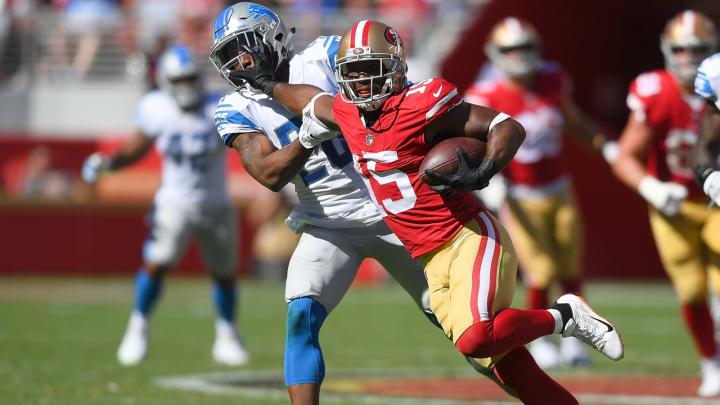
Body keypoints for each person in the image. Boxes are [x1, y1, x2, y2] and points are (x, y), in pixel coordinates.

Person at [234, 18, 624, 405]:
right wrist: (268, 86)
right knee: (484, 350)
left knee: (477, 337)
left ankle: (565, 315)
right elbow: (308, 100)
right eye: (351, 72)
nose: (361, 82)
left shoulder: (423, 102)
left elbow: (506, 125)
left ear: (397, 68)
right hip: (427, 256)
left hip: (467, 237)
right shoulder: (348, 114)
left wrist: (485, 170)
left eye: (371, 70)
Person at [209, 4, 515, 404]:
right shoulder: (234, 107)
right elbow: (268, 174)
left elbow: (393, 83)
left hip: (397, 214)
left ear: (273, 37)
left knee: (470, 334)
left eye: (243, 47)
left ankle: (540, 389)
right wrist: (306, 139)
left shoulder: (324, 56)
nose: (238, 62)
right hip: (328, 224)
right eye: (228, 55)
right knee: (301, 317)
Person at [464, 16, 618, 369]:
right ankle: (541, 341)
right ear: (495, 54)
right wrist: (489, 178)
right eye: (510, 49)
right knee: (540, 271)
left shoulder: (552, 78)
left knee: (570, 266)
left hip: (558, 188)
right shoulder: (485, 95)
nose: (519, 56)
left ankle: (579, 338)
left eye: (525, 48)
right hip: (518, 194)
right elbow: (474, 145)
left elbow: (573, 121)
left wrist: (604, 146)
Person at [81, 45, 248, 367]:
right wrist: (108, 163)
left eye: (190, 78)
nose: (186, 86)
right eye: (179, 80)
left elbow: (248, 144)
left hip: (216, 203)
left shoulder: (220, 106)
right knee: (156, 263)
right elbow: (136, 148)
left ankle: (227, 334)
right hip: (175, 201)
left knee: (224, 273)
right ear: (166, 82)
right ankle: (138, 326)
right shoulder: (156, 108)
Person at [612, 10, 720, 397]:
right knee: (691, 291)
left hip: (718, 202)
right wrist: (654, 190)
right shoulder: (655, 90)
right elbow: (626, 155)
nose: (689, 57)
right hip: (673, 203)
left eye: (698, 50)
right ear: (666, 50)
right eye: (681, 49)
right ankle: (711, 363)